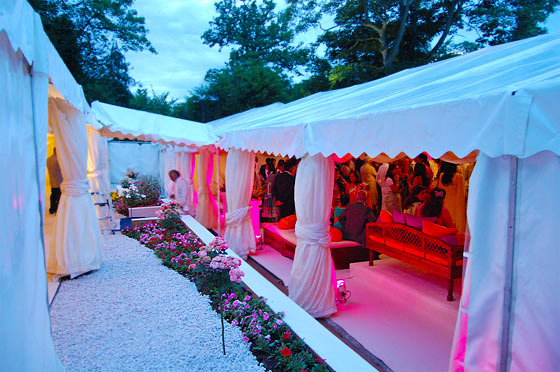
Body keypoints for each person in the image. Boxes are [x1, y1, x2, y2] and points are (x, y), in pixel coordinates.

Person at [437, 161, 467, 232]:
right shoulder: (458, 177)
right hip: (455, 207)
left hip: (444, 205)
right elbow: (461, 196)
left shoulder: (441, 176)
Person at [47, 147, 63, 214]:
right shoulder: (58, 160)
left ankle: (52, 208)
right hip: (58, 180)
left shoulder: (48, 159)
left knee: (53, 195)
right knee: (58, 195)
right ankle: (57, 209)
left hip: (52, 179)